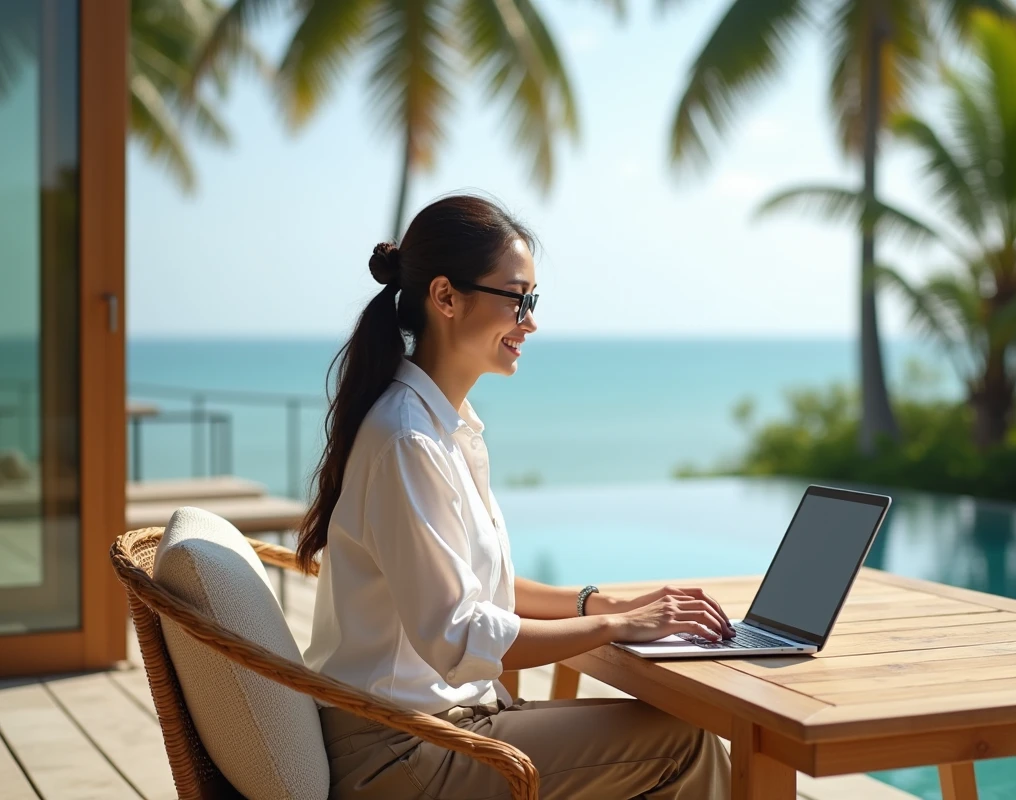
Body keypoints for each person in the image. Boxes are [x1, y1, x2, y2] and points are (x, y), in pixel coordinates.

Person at [299, 194, 733, 799]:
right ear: (446, 297)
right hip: (398, 754)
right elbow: (458, 637)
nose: (530, 322)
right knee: (683, 744)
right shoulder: (408, 440)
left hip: (432, 732)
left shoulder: (445, 427)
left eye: (534, 301)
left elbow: (484, 591)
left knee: (677, 735)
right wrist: (618, 625)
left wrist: (605, 604)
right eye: (518, 298)